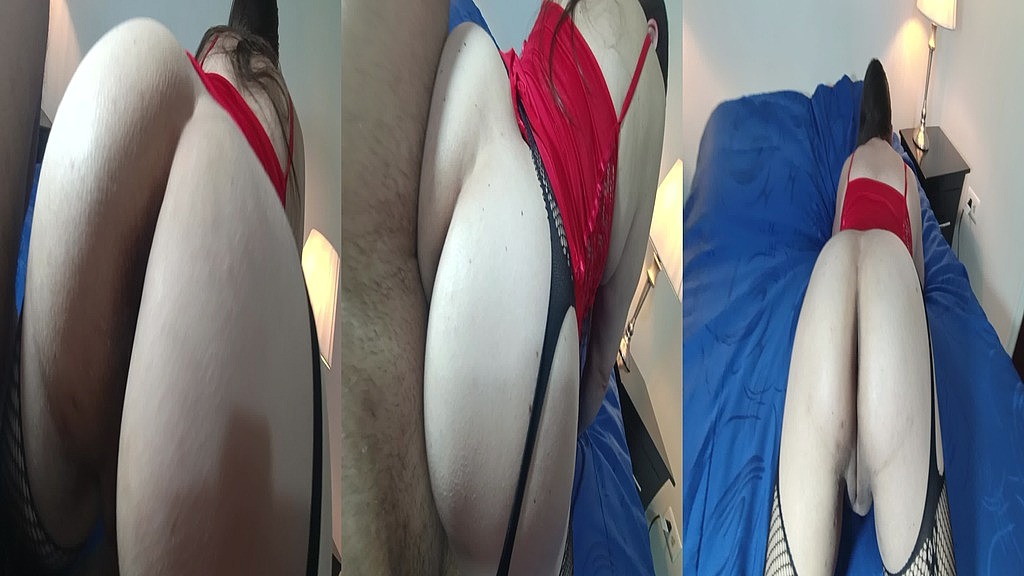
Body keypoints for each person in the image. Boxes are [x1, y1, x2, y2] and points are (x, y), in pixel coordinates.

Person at [0, 0, 332, 573]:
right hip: (237, 228)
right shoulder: (286, 123)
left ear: (215, 44)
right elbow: (284, 250)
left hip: (130, 83)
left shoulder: (198, 66)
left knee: (42, 507)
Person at [765, 59, 955, 576]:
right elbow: (917, 273)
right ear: (891, 123)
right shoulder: (906, 175)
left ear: (861, 120)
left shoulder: (848, 166)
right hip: (891, 268)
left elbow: (836, 233)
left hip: (835, 264)